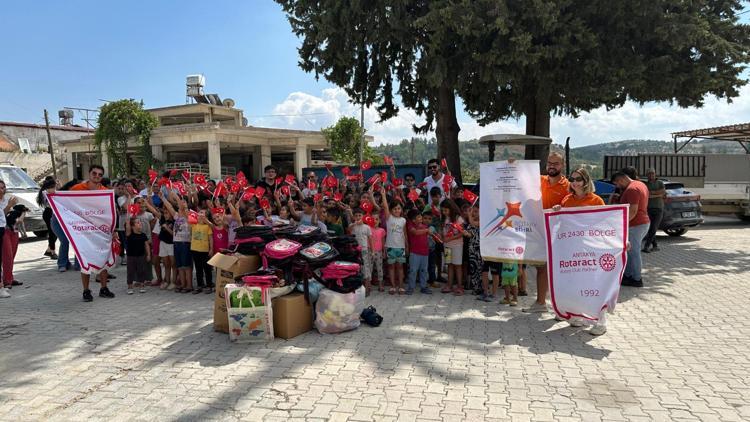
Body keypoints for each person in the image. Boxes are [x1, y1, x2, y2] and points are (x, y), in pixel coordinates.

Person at [553, 166, 608, 335]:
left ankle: (601, 322)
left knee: (595, 284)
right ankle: (577, 315)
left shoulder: (596, 201)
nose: (575, 182)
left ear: (586, 181)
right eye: (573, 179)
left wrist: (621, 241)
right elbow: (562, 224)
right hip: (572, 249)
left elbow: (608, 224)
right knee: (575, 283)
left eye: (579, 179)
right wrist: (557, 212)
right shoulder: (567, 200)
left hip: (592, 249)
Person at [523, 152, 569, 313]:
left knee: (559, 270)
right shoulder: (539, 180)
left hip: (559, 235)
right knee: (541, 268)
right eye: (550, 162)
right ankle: (540, 303)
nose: (552, 166)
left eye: (556, 163)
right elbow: (519, 178)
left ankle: (562, 307)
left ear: (562, 165)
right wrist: (511, 164)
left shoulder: (568, 186)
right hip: (540, 233)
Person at [70, 165, 115, 301]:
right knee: (85, 261)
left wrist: (113, 230)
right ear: (89, 174)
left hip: (101, 231)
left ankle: (103, 288)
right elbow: (66, 203)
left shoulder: (106, 192)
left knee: (104, 259)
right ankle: (86, 291)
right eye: (94, 173)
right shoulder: (77, 189)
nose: (97, 176)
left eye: (100, 174)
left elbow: (110, 213)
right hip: (83, 232)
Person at [612, 171, 650, 288]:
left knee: (633, 252)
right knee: (629, 251)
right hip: (641, 223)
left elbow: (633, 211)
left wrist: (620, 225)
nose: (617, 186)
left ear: (621, 179)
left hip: (635, 225)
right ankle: (628, 275)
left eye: (617, 183)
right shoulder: (640, 184)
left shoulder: (631, 189)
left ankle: (637, 278)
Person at [380, 186, 407, 295]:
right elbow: (385, 207)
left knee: (400, 267)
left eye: (399, 208)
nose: (397, 210)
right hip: (390, 247)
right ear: (391, 210)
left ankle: (400, 286)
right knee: (391, 267)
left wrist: (407, 246)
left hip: (401, 248)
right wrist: (383, 195)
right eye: (394, 208)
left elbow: (405, 234)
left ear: (401, 210)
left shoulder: (403, 220)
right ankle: (392, 286)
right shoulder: (389, 218)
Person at [1, 204, 29, 297]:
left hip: (14, 231)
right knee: (7, 256)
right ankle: (6, 281)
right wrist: (23, 213)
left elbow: (19, 223)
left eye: (4, 187)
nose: (3, 189)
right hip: (5, 231)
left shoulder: (7, 199)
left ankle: (9, 278)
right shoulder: (11, 207)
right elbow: (19, 221)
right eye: (1, 188)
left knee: (12, 255)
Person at [440, 199, 465, 295]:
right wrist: (442, 236)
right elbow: (443, 231)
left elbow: (461, 233)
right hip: (447, 246)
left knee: (458, 266)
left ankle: (459, 286)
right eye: (442, 210)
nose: (444, 212)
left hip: (457, 246)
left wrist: (450, 239)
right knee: (449, 265)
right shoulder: (444, 218)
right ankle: (449, 285)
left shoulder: (458, 219)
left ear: (451, 209)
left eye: (446, 210)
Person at [406, 208, 431, 295]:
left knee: (424, 270)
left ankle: (423, 287)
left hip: (425, 253)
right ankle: (410, 287)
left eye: (421, 217)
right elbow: (416, 232)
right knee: (413, 270)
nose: (421, 219)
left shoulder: (425, 227)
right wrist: (426, 230)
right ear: (413, 220)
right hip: (415, 253)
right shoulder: (410, 227)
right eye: (419, 217)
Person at [348, 208, 373, 295]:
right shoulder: (352, 225)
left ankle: (367, 289)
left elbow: (370, 239)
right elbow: (349, 230)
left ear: (363, 216)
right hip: (355, 251)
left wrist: (372, 251)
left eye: (360, 215)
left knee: (366, 269)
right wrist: (354, 223)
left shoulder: (367, 227)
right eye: (356, 216)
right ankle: (359, 289)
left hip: (365, 250)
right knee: (357, 269)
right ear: (353, 217)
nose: (358, 217)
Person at [124, 217, 151, 295]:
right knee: (130, 271)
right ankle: (130, 286)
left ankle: (142, 285)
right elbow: (128, 226)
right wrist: (129, 217)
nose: (140, 223)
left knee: (141, 270)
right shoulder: (129, 234)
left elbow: (146, 245)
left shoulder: (143, 235)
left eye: (140, 222)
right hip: (131, 257)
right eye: (137, 223)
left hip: (141, 256)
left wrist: (148, 254)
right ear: (132, 226)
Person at [190, 210, 213, 294]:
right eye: (199, 212)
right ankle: (200, 285)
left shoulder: (208, 226)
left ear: (206, 216)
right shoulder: (193, 224)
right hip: (195, 249)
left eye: (202, 213)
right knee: (198, 269)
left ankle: (209, 285)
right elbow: (187, 214)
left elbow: (210, 238)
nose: (200, 214)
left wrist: (211, 249)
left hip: (205, 250)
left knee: (207, 269)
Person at [643, 168, 665, 253]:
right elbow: (646, 194)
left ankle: (647, 246)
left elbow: (662, 192)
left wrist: (652, 194)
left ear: (655, 174)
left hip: (658, 208)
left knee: (654, 227)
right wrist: (657, 194)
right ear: (647, 175)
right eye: (649, 174)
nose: (651, 175)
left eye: (652, 173)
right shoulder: (645, 184)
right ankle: (655, 245)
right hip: (648, 208)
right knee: (650, 228)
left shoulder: (660, 183)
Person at [37, 178, 58, 259]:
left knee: (55, 233)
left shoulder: (48, 192)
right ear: (50, 187)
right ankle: (53, 252)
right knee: (52, 233)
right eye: (54, 187)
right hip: (48, 213)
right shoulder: (45, 193)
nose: (55, 189)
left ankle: (49, 250)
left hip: (52, 213)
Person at [370, 214, 386, 291]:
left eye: (376, 219)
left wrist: (384, 252)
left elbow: (383, 242)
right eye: (373, 219)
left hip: (379, 252)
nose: (374, 221)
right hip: (370, 251)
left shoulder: (382, 230)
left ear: (379, 221)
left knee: (380, 268)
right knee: (369, 269)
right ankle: (368, 285)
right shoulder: (368, 229)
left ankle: (380, 285)